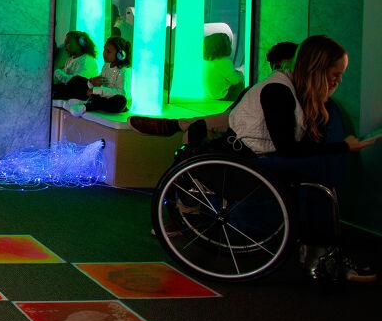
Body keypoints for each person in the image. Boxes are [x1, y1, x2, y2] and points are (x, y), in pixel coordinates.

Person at [227, 35, 376, 283]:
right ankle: (319, 256)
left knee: (319, 172)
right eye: (334, 74)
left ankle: (320, 252)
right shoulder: (278, 91)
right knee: (316, 177)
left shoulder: (295, 89)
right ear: (317, 70)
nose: (338, 80)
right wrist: (342, 147)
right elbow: (287, 148)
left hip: (262, 156)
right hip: (248, 161)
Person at [129, 41, 299, 138]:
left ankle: (174, 125)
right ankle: (175, 125)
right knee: (237, 100)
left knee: (214, 120)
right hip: (239, 117)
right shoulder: (280, 87)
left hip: (242, 123)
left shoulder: (279, 88)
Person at [64, 37, 132, 117]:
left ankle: (86, 106)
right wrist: (92, 82)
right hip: (102, 98)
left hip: (114, 101)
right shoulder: (106, 65)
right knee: (78, 80)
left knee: (120, 101)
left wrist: (97, 90)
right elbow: (99, 84)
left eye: (108, 51)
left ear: (120, 55)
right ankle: (86, 102)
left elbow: (122, 93)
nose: (104, 53)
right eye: (104, 49)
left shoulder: (124, 71)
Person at [52, 31, 99, 100]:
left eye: (68, 43)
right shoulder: (70, 59)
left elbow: (75, 82)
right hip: (70, 91)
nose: (65, 46)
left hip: (82, 94)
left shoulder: (87, 60)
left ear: (80, 43)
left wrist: (57, 71)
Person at [202, 32, 244, 101]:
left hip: (208, 95)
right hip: (221, 96)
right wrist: (241, 75)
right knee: (240, 85)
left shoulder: (205, 62)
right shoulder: (224, 62)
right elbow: (235, 80)